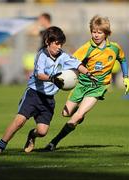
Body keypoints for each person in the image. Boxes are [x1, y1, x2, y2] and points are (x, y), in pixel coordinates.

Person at [0, 26, 97, 155]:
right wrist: (53, 79)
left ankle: (32, 135)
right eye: (56, 44)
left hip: (48, 99)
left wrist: (88, 73)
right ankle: (0, 147)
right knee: (19, 121)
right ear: (48, 42)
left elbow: (77, 64)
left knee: (42, 131)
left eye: (61, 44)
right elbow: (39, 75)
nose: (59, 47)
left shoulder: (63, 56)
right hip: (33, 94)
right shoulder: (41, 55)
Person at [44, 15, 129, 151]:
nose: (96, 35)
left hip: (98, 87)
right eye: (93, 32)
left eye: (99, 32)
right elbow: (71, 62)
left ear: (107, 33)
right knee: (66, 113)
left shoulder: (114, 48)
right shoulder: (86, 48)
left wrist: (126, 77)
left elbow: (123, 59)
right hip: (82, 85)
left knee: (77, 116)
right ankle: (79, 113)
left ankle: (54, 142)